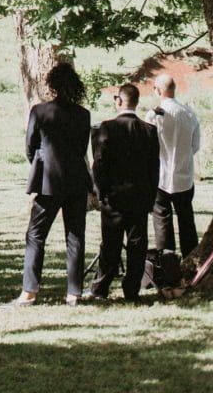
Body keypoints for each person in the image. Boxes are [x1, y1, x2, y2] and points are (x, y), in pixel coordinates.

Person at [12, 59, 92, 306]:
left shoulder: (40, 111)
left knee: (35, 234)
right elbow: (82, 148)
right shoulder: (83, 114)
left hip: (48, 181)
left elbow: (30, 145)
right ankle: (74, 292)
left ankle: (30, 290)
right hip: (77, 179)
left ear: (52, 85)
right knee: (75, 236)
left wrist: (40, 164)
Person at [88, 82, 160, 302]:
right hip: (140, 196)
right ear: (136, 102)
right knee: (137, 245)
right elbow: (154, 167)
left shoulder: (105, 128)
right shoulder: (149, 131)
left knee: (110, 244)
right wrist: (151, 196)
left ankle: (101, 287)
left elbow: (99, 164)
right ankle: (132, 289)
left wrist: (100, 191)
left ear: (119, 101)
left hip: (114, 196)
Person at [147, 71, 202, 263]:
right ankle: (191, 260)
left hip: (160, 176)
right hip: (184, 176)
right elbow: (195, 146)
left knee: (162, 221)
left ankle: (167, 263)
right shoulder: (189, 113)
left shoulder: (153, 115)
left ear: (158, 90)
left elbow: (148, 146)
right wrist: (182, 156)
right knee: (187, 221)